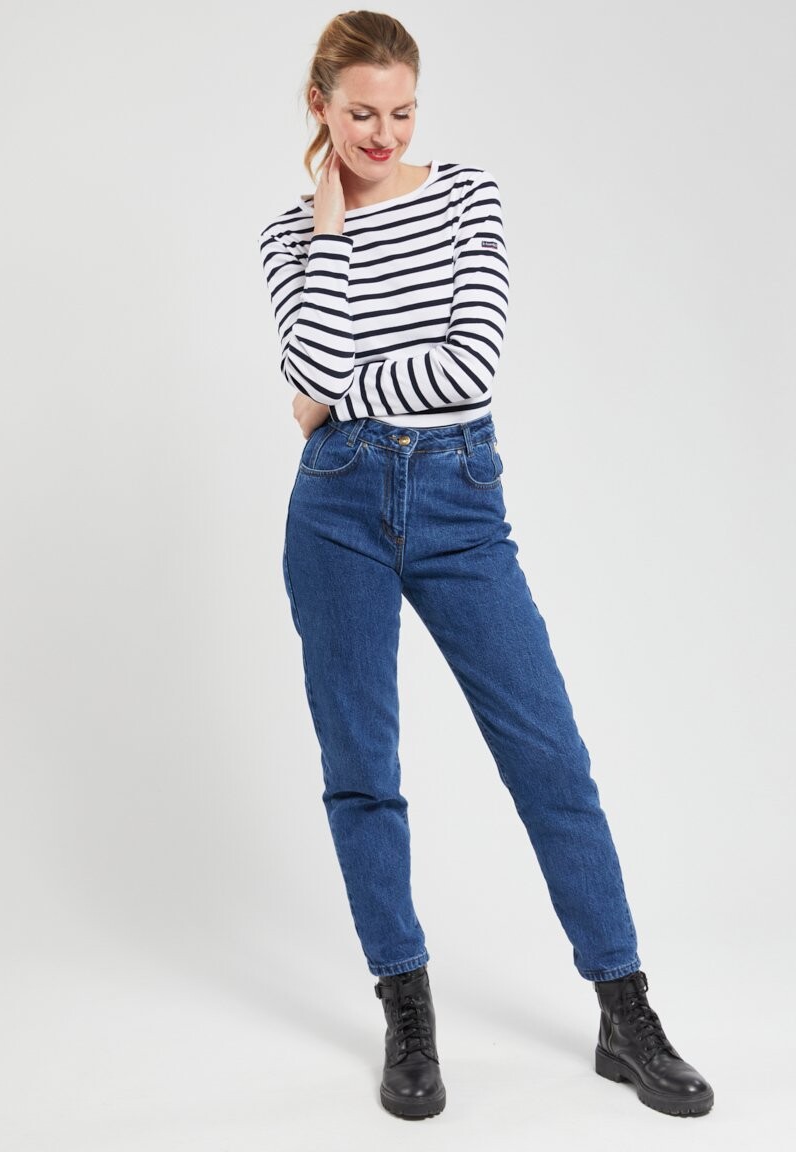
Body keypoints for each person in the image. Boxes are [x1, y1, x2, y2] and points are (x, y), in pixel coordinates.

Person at [258, 9, 713, 1123]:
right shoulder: (286, 235)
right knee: (362, 768)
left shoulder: (468, 195)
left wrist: (337, 395)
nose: (383, 133)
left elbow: (467, 366)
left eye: (402, 111)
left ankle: (625, 1011)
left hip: (460, 500)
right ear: (320, 106)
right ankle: (406, 1014)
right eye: (361, 113)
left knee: (548, 755)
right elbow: (309, 363)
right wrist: (329, 233)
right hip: (335, 510)